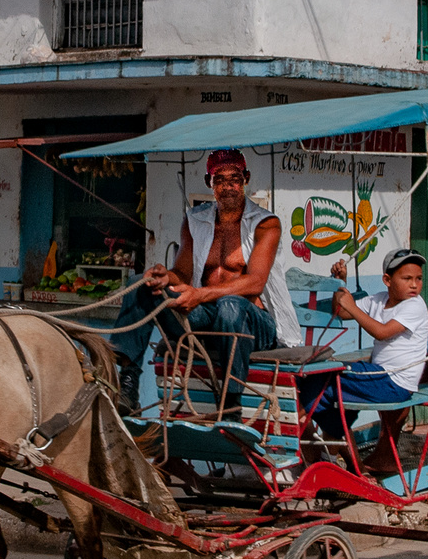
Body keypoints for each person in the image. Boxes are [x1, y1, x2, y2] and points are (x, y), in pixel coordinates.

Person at [108, 149, 300, 414]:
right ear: (210, 183)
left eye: (235, 178)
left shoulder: (266, 224)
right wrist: (166, 277)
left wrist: (198, 295)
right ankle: (128, 382)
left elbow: (255, 283)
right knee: (143, 283)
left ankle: (231, 403)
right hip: (206, 318)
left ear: (246, 179)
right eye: (219, 179)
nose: (228, 186)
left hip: (254, 323)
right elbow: (183, 274)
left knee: (230, 305)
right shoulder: (195, 220)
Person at [297, 249, 428, 473]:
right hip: (378, 376)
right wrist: (341, 285)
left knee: (325, 381)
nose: (414, 285)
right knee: (323, 384)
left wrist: (351, 305)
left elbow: (382, 332)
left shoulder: (414, 305)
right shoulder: (380, 300)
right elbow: (342, 312)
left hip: (393, 382)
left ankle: (336, 454)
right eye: (407, 279)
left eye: (418, 279)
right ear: (387, 280)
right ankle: (333, 448)